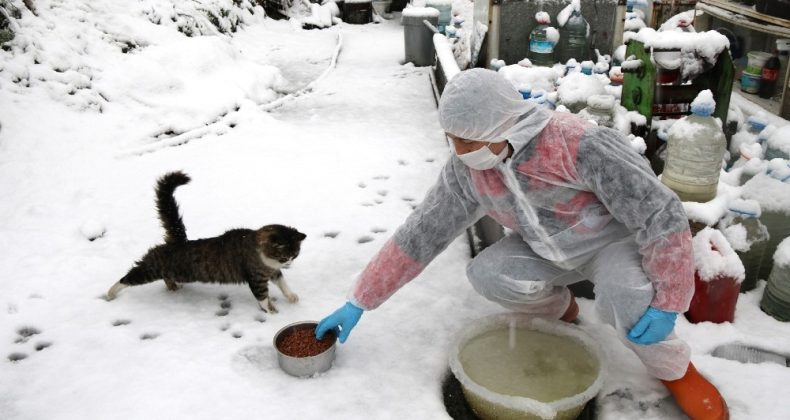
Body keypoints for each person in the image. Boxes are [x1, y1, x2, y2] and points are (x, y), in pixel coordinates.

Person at [315, 68, 728, 420]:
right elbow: (422, 233)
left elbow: (659, 213)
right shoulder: (467, 170)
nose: (459, 151)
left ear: (504, 125)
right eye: (452, 139)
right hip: (546, 250)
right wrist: (360, 300)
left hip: (609, 246)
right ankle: (563, 312)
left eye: (468, 140)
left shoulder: (577, 144)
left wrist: (670, 298)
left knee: (628, 297)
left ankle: (676, 371)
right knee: (488, 274)